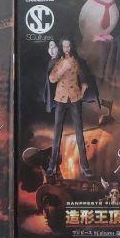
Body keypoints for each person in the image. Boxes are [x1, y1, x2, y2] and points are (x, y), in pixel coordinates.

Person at [45, 38, 100, 179]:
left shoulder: (77, 61)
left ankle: (85, 166)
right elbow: (52, 79)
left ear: (71, 47)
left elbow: (83, 77)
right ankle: (52, 166)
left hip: (75, 98)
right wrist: (63, 68)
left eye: (68, 46)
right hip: (60, 99)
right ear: (61, 47)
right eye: (64, 46)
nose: (66, 48)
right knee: (57, 132)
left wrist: (83, 90)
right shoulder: (57, 62)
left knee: (79, 133)